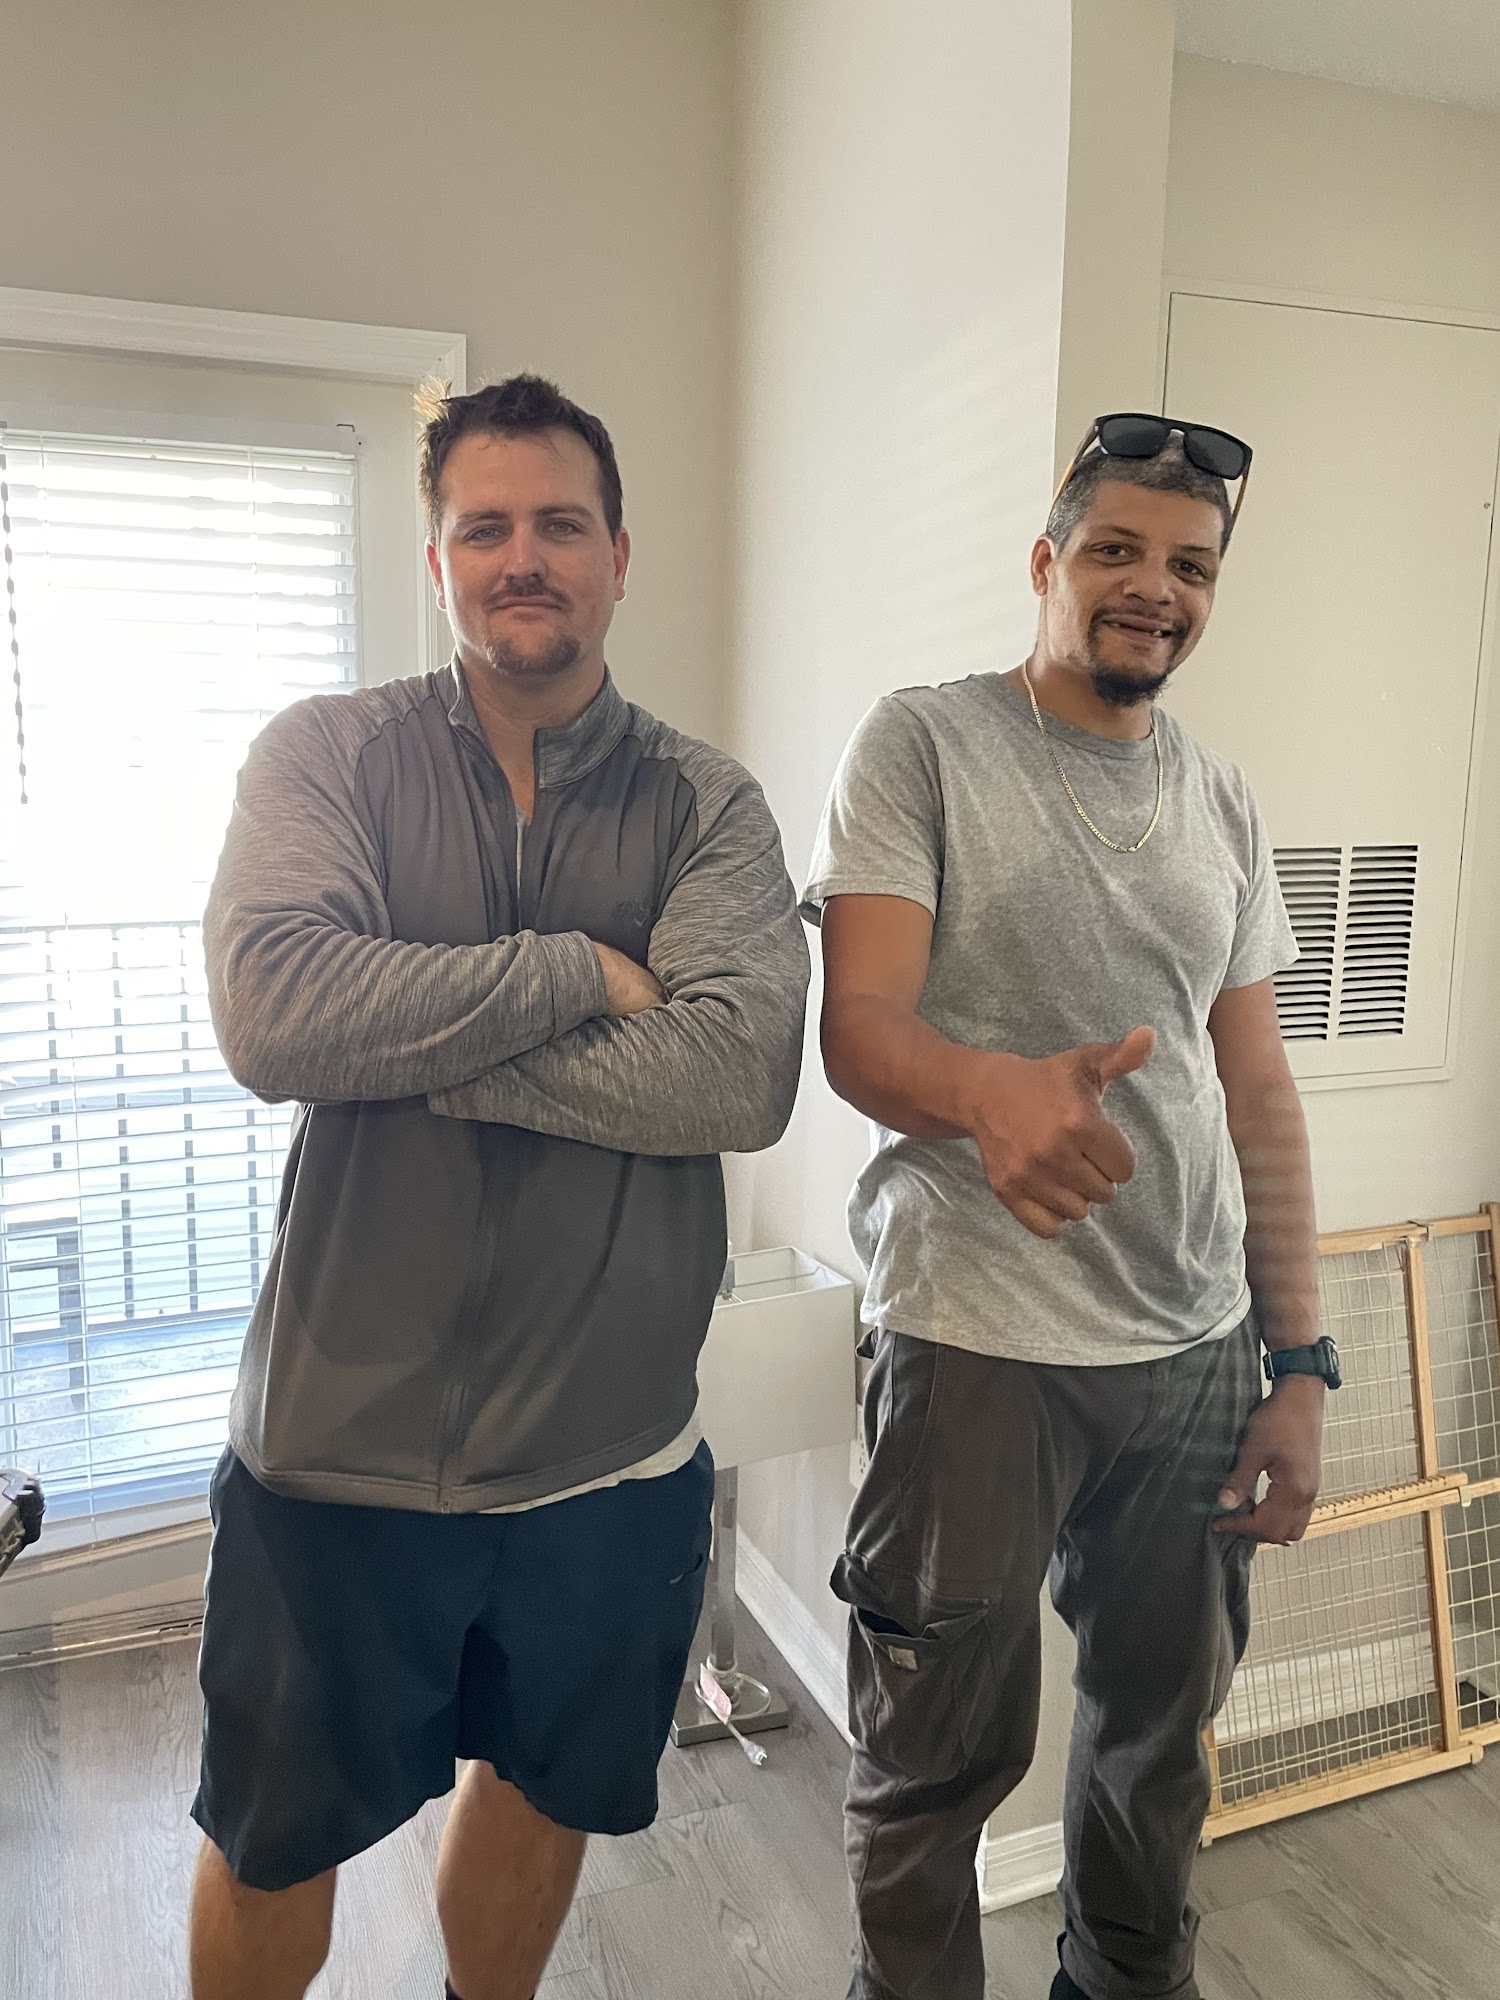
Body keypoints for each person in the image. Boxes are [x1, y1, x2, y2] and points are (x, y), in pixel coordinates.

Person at [189, 374, 809, 2000]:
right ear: (439, 558)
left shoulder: (708, 804)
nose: (522, 556)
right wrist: (574, 973)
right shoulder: (327, 756)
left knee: (540, 1794)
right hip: (334, 1442)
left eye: (559, 523)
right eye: (484, 528)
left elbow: (736, 1078)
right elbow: (275, 1017)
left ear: (620, 556)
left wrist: (399, 1040)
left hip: (610, 1448)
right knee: (273, 1833)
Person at [804, 415, 1332, 2000]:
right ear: (1047, 563)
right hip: (974, 1345)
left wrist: (1299, 1366)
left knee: (1157, 1756)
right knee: (932, 1767)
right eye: (1117, 551)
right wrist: (988, 1092)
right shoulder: (923, 743)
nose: (1155, 588)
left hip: (1194, 1356)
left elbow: (1259, 1091)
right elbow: (859, 1029)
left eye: (1191, 566)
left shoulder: (1221, 798)